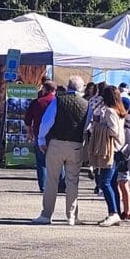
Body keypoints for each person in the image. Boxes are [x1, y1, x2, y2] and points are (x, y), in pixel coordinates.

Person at [32, 76, 89, 225]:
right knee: (72, 181)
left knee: (51, 180)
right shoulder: (86, 104)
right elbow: (87, 126)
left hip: (56, 144)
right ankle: (71, 216)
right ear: (81, 88)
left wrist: (41, 139)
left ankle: (46, 215)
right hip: (76, 145)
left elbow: (47, 121)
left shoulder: (58, 100)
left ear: (68, 86)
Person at [88, 86, 127, 226]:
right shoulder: (119, 111)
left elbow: (113, 131)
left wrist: (98, 125)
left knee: (104, 182)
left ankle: (113, 212)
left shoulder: (110, 111)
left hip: (111, 150)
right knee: (112, 183)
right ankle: (116, 212)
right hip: (119, 149)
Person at [26, 80, 59, 193]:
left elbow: (28, 120)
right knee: (58, 161)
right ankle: (61, 184)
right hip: (56, 136)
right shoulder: (59, 103)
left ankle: (44, 186)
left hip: (40, 135)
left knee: (41, 161)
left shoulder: (37, 102)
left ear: (45, 89)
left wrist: (29, 133)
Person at [117, 109, 130, 222]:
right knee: (122, 184)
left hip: (125, 157)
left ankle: (127, 212)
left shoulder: (124, 123)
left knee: (123, 184)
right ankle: (125, 210)